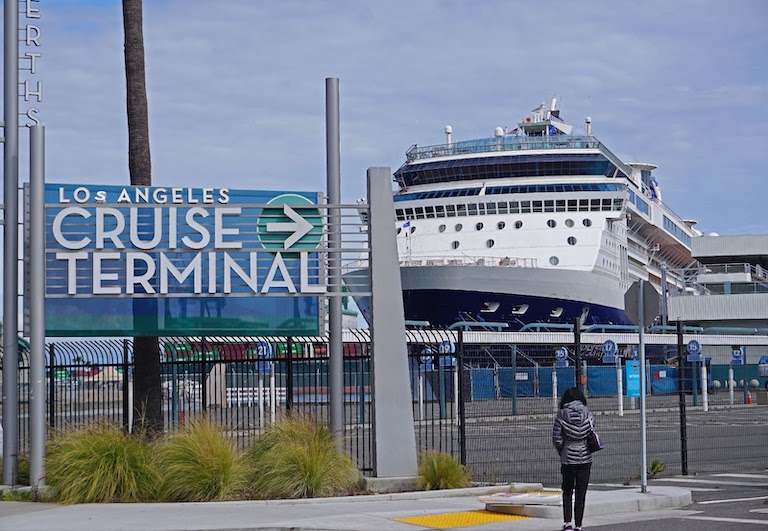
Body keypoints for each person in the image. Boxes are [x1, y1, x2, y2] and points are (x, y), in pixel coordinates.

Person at [552, 387, 594, 531]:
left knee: (568, 491)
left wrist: (562, 451)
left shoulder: (561, 414)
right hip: (585, 457)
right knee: (581, 493)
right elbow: (591, 431)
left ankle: (567, 522)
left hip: (568, 457)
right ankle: (579, 525)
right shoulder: (588, 413)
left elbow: (557, 438)